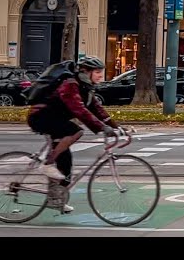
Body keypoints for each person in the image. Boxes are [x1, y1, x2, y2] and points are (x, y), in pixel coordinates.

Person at [27, 56, 122, 212]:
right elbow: (79, 110)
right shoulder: (71, 84)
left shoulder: (86, 88)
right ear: (85, 72)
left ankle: (55, 199)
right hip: (41, 117)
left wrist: (116, 127)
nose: (100, 76)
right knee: (76, 131)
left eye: (101, 72)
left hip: (56, 120)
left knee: (66, 164)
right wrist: (101, 127)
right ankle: (48, 163)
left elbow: (97, 109)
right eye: (97, 72)